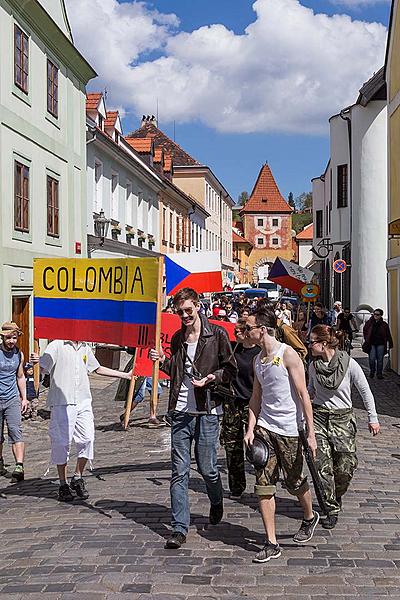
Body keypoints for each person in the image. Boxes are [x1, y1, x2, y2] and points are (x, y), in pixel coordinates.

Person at [149, 287, 237, 549]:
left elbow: (230, 369)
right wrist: (162, 360)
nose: (185, 316)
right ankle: (179, 528)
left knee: (208, 468)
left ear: (198, 306)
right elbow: (176, 371)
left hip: (207, 410)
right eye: (180, 312)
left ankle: (217, 498)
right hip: (181, 411)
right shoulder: (177, 338)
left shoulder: (217, 334)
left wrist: (212, 378)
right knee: (179, 471)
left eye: (188, 310)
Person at [243, 310, 319, 564]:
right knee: (263, 485)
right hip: (265, 427)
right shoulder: (258, 360)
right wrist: (250, 428)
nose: (245, 332)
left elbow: (303, 395)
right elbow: (256, 397)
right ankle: (271, 542)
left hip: (288, 430)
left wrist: (311, 433)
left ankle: (309, 516)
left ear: (262, 330)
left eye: (249, 327)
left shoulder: (287, 354)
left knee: (294, 481)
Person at [31, 340, 132, 502]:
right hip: (62, 401)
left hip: (83, 400)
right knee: (62, 442)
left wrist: (125, 375)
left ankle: (77, 477)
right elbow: (43, 367)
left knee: (87, 439)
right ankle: (63, 483)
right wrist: (37, 362)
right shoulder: (56, 345)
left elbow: (96, 368)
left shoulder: (85, 346)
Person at [308, 325, 380, 529]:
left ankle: (337, 493)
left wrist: (372, 417)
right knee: (322, 466)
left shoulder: (349, 364)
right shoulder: (313, 366)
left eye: (312, 342)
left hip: (343, 419)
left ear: (323, 343)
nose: (309, 346)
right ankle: (330, 508)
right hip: (319, 416)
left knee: (346, 466)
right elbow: (311, 389)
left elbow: (365, 391)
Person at [220, 319, 259, 498]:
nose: (235, 333)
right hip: (232, 402)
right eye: (234, 330)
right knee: (232, 446)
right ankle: (237, 487)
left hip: (252, 403)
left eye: (239, 330)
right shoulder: (232, 349)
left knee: (256, 446)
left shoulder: (259, 353)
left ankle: (263, 484)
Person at [0, 322, 28, 481]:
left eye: (14, 338)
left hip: (12, 398)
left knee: (15, 430)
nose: (11, 341)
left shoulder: (19, 354)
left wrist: (24, 398)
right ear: (3, 337)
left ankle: (19, 466)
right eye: (8, 338)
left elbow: (20, 376)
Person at [363, 309, 394, 379]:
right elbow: (365, 330)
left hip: (381, 344)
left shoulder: (384, 324)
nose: (375, 316)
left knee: (380, 359)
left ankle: (379, 373)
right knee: (372, 359)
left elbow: (388, 334)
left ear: (380, 316)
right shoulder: (369, 323)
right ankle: (372, 372)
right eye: (374, 314)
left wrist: (390, 343)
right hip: (371, 344)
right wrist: (366, 339)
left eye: (377, 314)